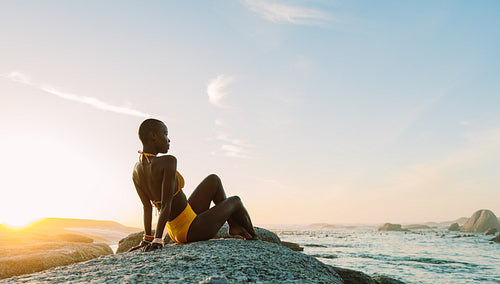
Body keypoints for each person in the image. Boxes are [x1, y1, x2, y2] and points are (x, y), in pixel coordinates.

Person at [129, 118, 257, 252]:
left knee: (213, 180)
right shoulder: (168, 161)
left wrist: (148, 238)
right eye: (165, 134)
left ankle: (233, 225)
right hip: (189, 230)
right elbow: (166, 203)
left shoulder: (136, 170)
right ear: (153, 136)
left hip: (181, 223)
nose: (169, 139)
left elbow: (146, 207)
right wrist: (158, 239)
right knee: (235, 201)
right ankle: (254, 237)